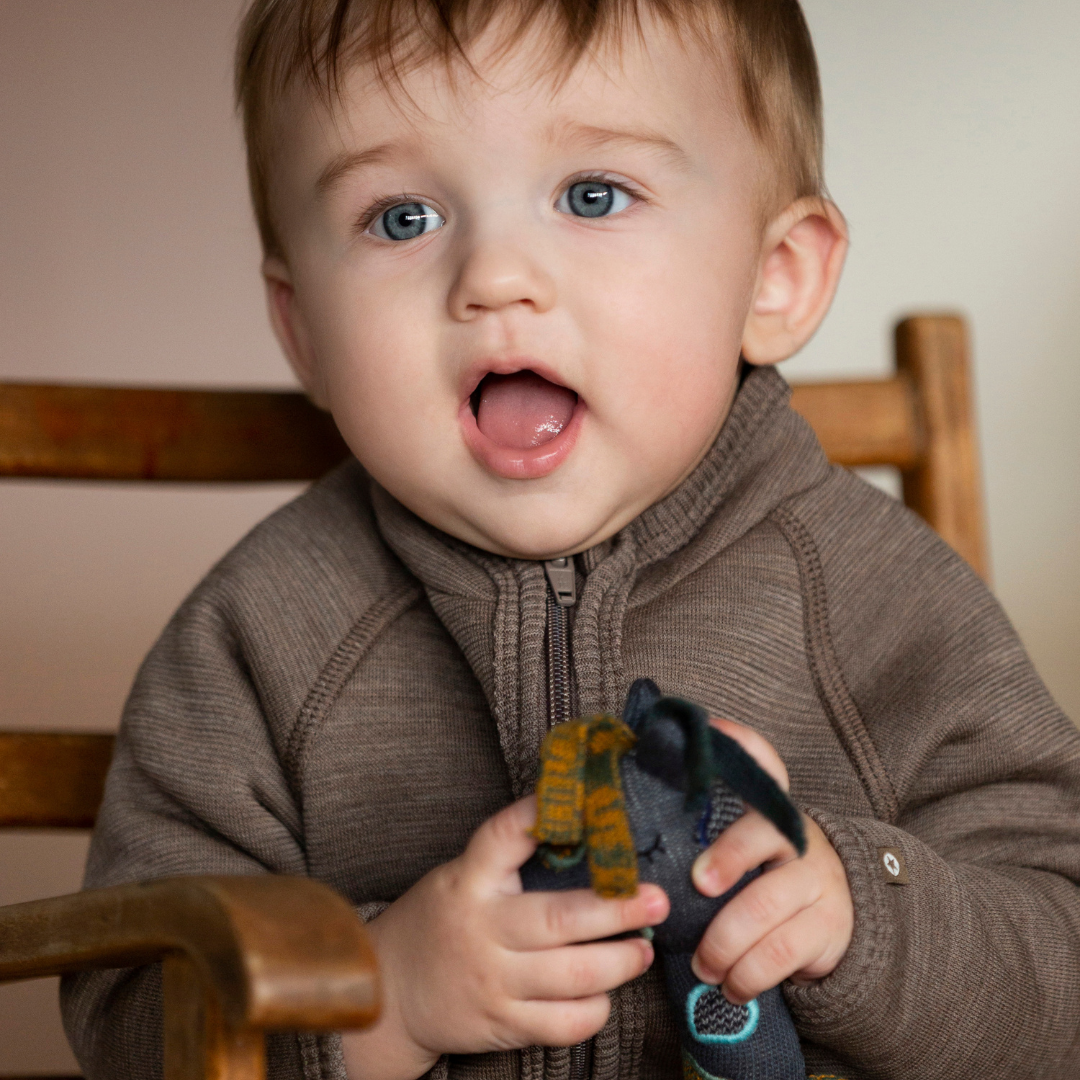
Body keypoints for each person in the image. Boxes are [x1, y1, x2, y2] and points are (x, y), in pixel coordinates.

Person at [61, 2, 1080, 1079]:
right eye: (402, 218)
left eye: (594, 195)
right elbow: (131, 1005)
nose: (495, 277)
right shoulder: (258, 635)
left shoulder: (880, 596)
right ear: (304, 328)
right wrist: (377, 995)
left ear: (774, 274)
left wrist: (862, 916)